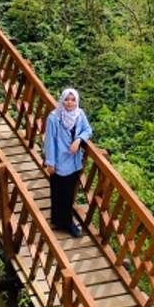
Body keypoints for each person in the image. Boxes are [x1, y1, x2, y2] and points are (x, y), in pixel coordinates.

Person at [43, 88, 92, 237]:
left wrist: (79, 139)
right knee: (57, 192)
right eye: (67, 99)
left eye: (73, 100)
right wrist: (50, 163)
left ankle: (67, 222)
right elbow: (49, 141)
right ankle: (59, 221)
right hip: (58, 161)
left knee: (69, 194)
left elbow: (88, 129)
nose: (70, 103)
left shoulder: (79, 114)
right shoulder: (54, 118)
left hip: (73, 162)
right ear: (62, 100)